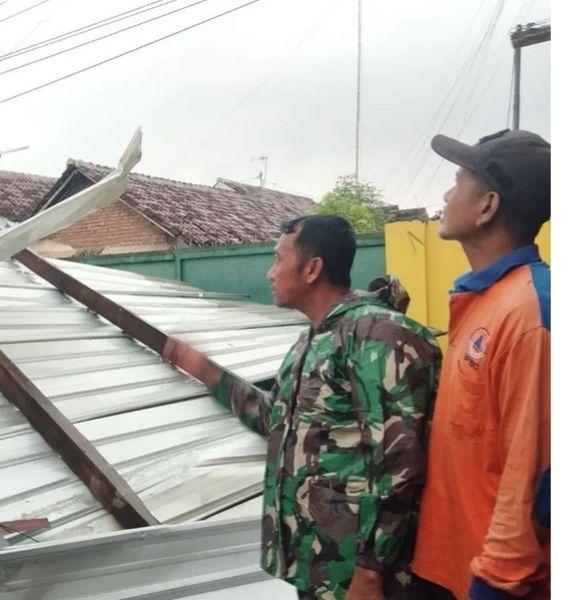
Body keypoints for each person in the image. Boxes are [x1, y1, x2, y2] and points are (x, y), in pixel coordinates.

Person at [165, 215, 441, 599]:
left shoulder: (378, 336)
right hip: (320, 570)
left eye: (278, 260)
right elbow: (275, 420)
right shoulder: (310, 342)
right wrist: (207, 372)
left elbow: (399, 463)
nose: (269, 273)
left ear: (312, 269)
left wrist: (370, 574)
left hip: (368, 581)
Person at [411, 129, 551, 600]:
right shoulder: (483, 299)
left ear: (487, 206)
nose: (446, 195)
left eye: (457, 182)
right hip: (448, 564)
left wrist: (496, 583)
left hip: (491, 583)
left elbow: (536, 472)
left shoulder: (531, 314)